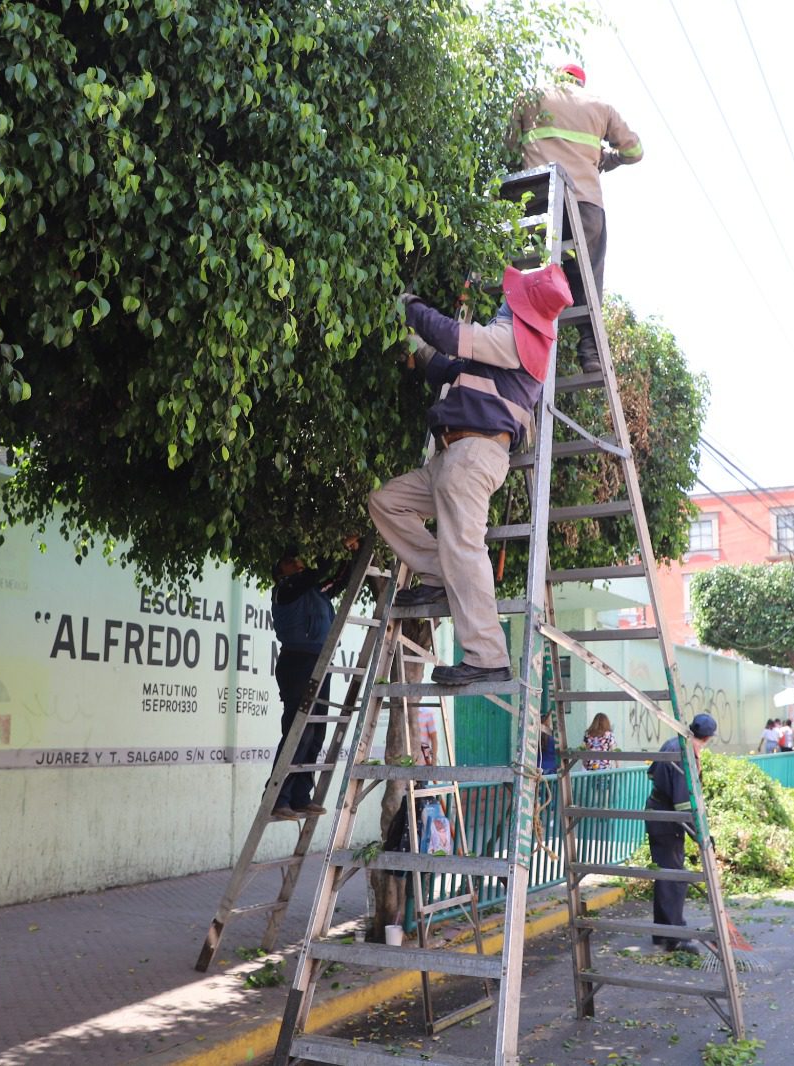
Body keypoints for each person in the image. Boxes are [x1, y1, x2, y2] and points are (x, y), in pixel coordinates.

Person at [369, 265, 571, 686]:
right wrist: (412, 343)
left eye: (509, 301)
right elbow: (444, 366)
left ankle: (486, 656)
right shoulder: (499, 354)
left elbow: (450, 336)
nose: (503, 303)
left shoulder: (513, 341)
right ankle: (439, 574)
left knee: (465, 548)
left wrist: (408, 306)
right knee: (387, 502)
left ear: (521, 310)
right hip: (451, 457)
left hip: (474, 454)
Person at [510, 62, 643, 373]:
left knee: (531, 271)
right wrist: (607, 160)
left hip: (536, 199)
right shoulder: (600, 107)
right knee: (587, 275)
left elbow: (511, 145)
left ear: (557, 77)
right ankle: (590, 351)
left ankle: (518, 339)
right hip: (584, 203)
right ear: (581, 84)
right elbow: (635, 150)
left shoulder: (528, 97)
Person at [268, 541, 357, 820]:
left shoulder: (315, 590)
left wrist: (355, 551)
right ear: (279, 572)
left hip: (320, 662)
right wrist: (339, 545)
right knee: (299, 730)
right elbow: (317, 572)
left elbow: (339, 579)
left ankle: (299, 796)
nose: (297, 563)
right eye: (289, 561)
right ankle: (277, 797)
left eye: (297, 559)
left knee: (316, 732)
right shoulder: (286, 589)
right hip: (298, 662)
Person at [646, 713, 717, 954]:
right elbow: (684, 804)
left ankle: (661, 933)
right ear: (707, 738)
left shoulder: (673, 742)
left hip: (658, 812)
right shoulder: (685, 754)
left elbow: (652, 772)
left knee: (665, 873)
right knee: (675, 877)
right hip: (667, 818)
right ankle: (675, 936)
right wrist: (702, 835)